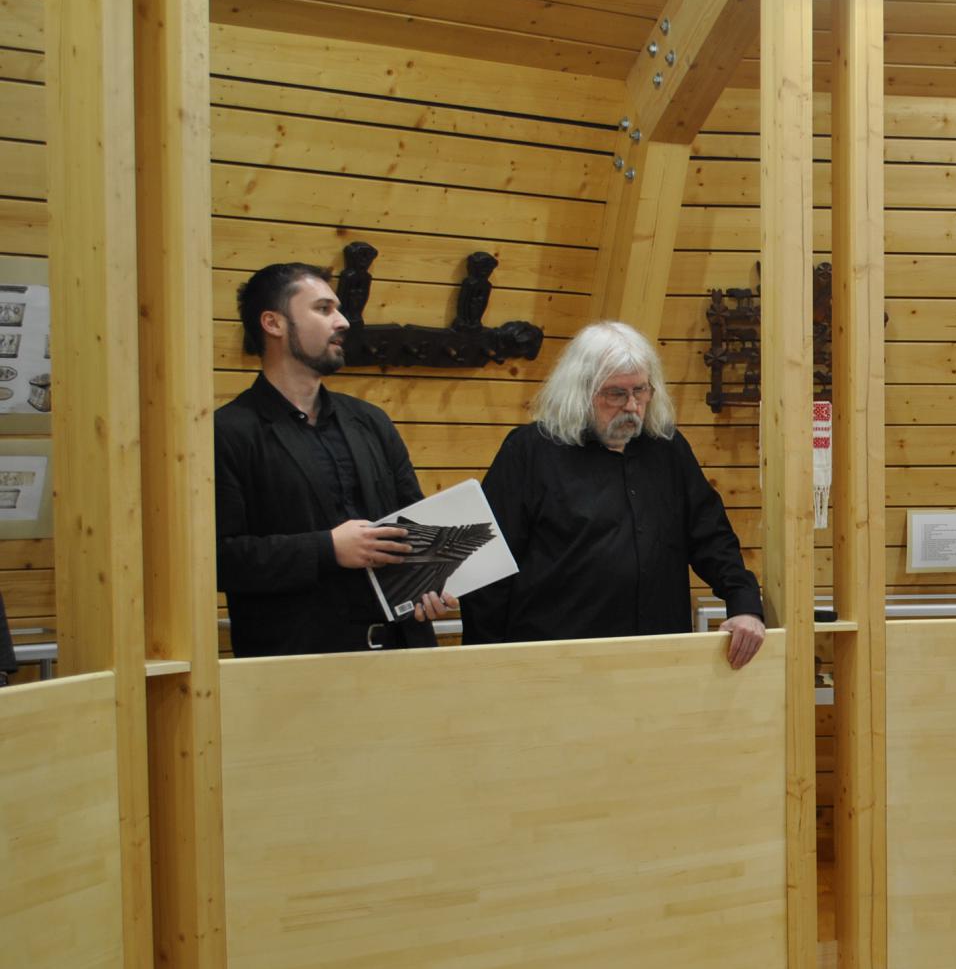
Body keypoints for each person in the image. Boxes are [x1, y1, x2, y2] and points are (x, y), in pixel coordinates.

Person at [461, 321, 766, 668]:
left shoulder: (667, 449)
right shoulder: (529, 452)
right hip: (555, 665)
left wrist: (744, 604)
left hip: (657, 658)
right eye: (616, 394)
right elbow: (487, 568)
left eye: (641, 390)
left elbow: (711, 537)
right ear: (581, 391)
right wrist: (487, 663)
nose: (632, 406)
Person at [215, 262, 456, 657]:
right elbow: (220, 559)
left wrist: (429, 582)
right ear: (273, 323)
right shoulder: (228, 431)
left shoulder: (371, 421)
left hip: (400, 653)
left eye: (338, 309)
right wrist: (327, 549)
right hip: (298, 665)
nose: (342, 321)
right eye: (323, 309)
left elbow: (414, 523)